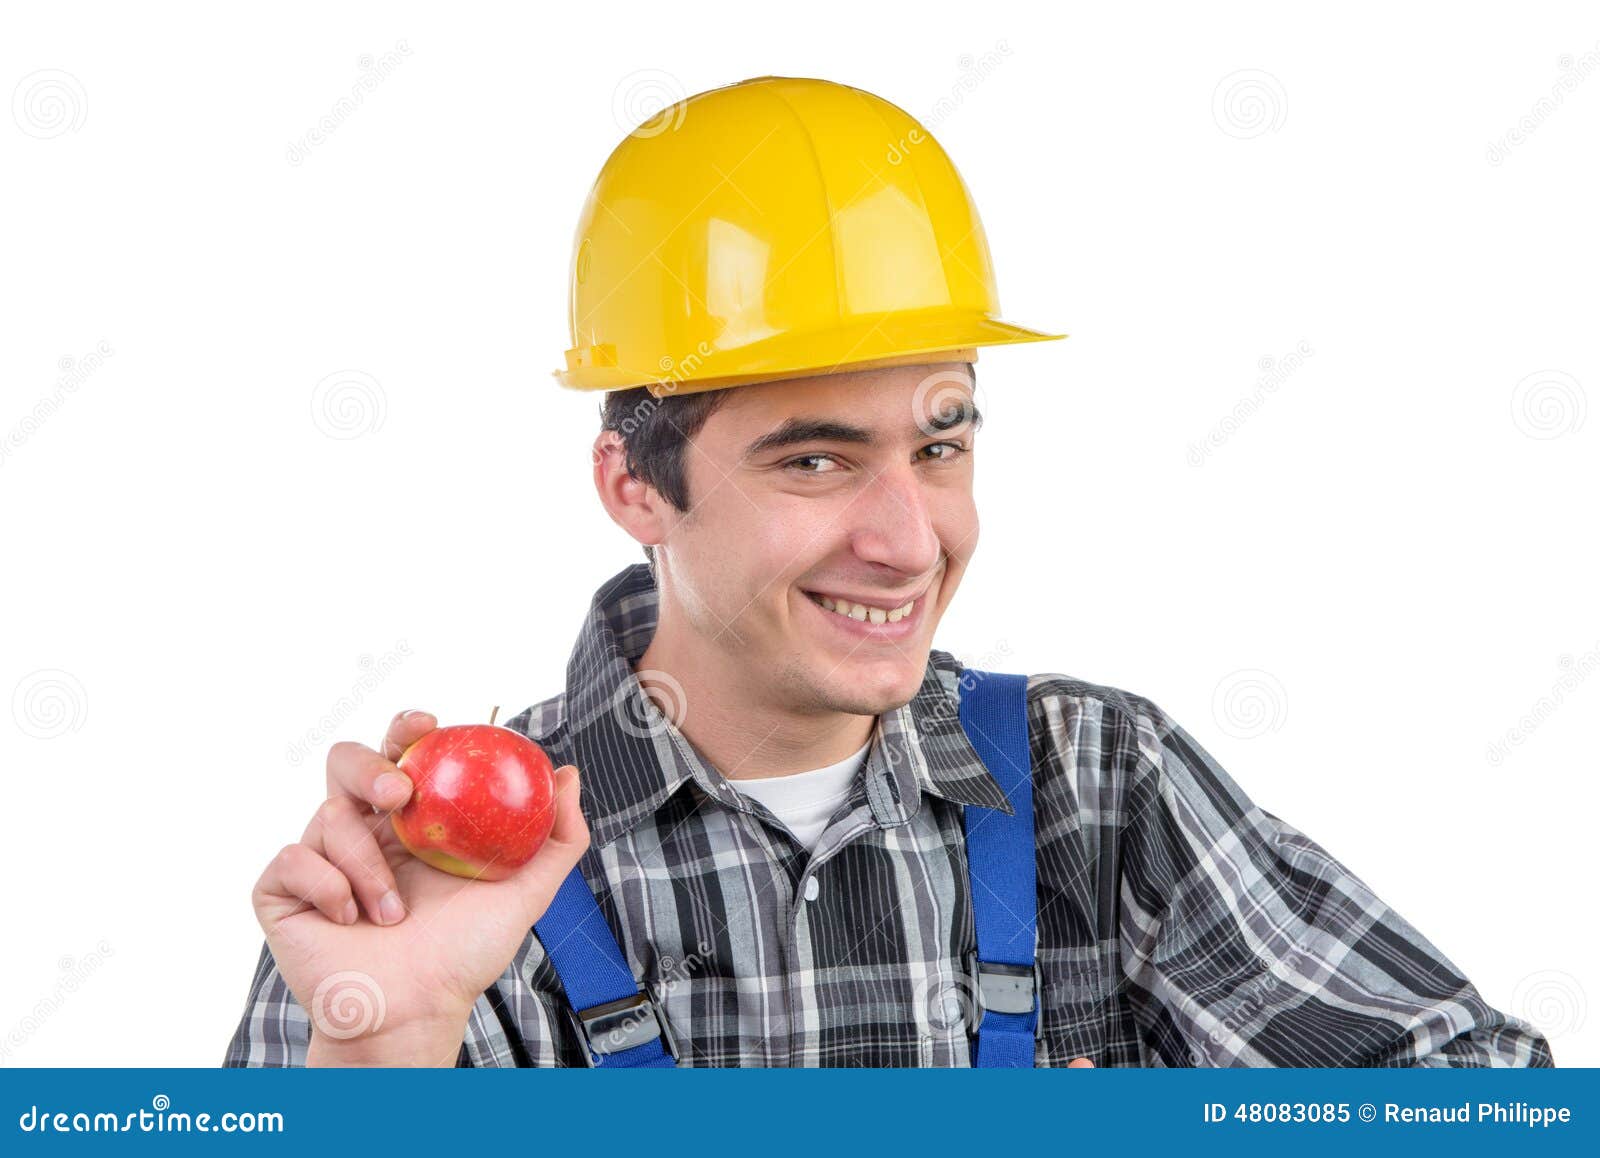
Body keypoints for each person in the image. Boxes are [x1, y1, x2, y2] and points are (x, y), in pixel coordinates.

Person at [226, 76, 1553, 1068]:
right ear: (634, 485)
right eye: (815, 461)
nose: (911, 539)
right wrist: (380, 1060)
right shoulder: (441, 883)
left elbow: (1482, 1099)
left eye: (940, 445)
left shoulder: (1096, 790)